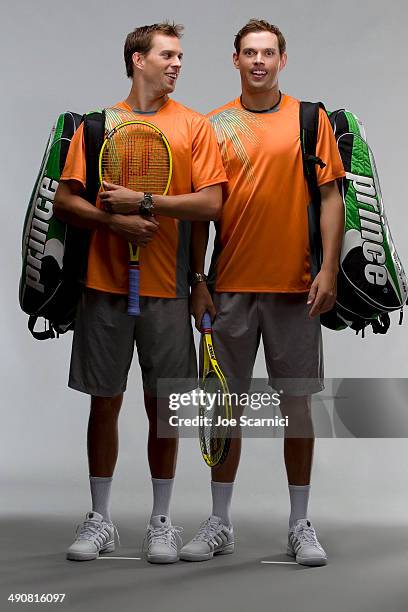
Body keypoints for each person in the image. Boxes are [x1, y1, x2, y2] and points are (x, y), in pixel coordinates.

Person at [53, 22, 226, 564]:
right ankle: (100, 519)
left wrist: (146, 205)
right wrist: (114, 224)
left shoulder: (195, 126)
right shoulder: (98, 125)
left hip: (170, 291)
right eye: (167, 55)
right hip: (103, 287)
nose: (176, 64)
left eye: (180, 57)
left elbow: (211, 205)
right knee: (104, 404)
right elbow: (66, 201)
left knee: (163, 409)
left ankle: (160, 522)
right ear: (137, 60)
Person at [181, 19, 345, 566]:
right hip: (228, 287)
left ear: (282, 59)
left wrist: (328, 272)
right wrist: (197, 280)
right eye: (249, 53)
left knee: (296, 406)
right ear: (235, 60)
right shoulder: (213, 125)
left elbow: (329, 198)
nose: (258, 61)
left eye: (268, 53)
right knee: (222, 407)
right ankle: (219, 522)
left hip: (297, 288)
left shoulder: (309, 119)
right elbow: (202, 213)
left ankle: (300, 524)